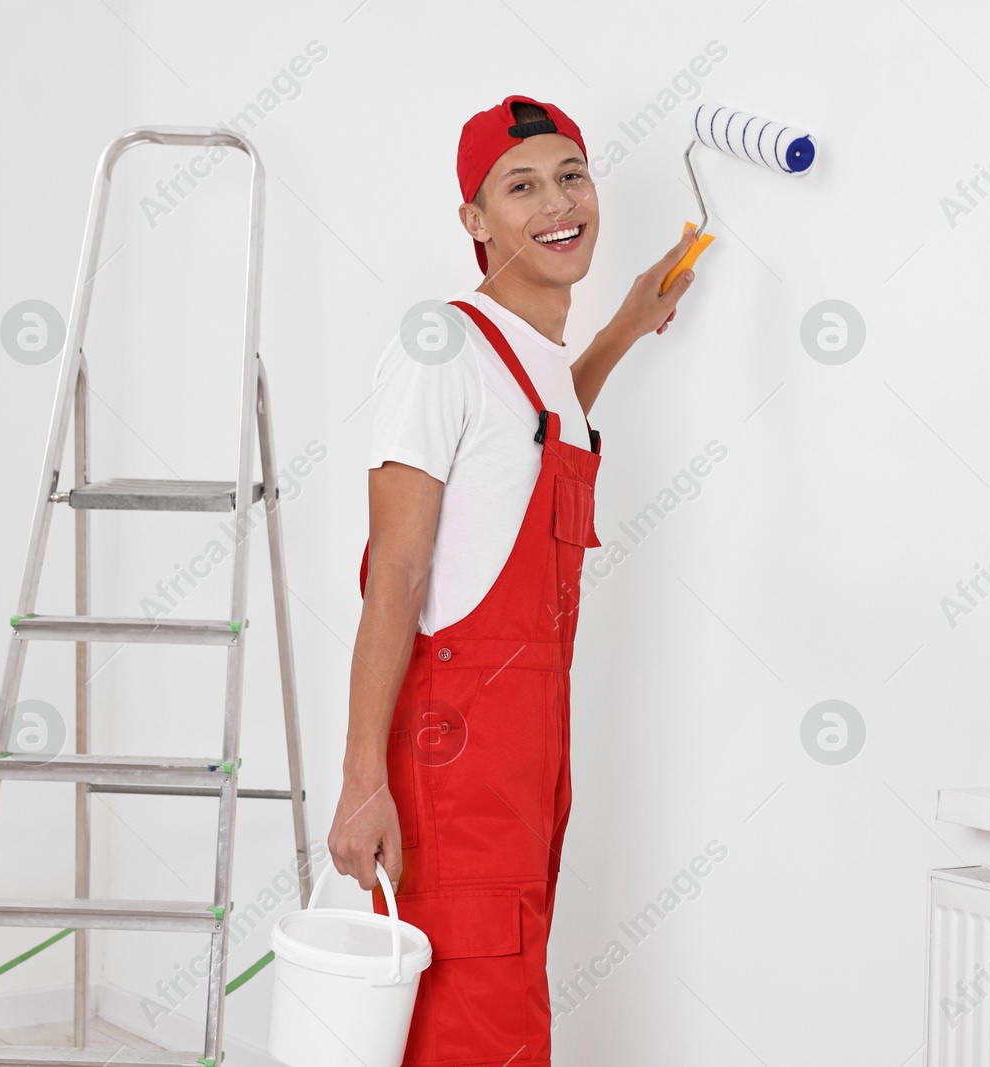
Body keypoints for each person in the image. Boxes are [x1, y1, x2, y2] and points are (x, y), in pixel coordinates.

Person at [327, 94, 698, 1066]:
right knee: (481, 1025)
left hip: (530, 753)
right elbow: (396, 571)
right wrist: (363, 775)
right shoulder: (440, 344)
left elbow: (541, 428)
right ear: (475, 220)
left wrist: (622, 325)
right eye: (520, 186)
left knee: (491, 995)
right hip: (456, 755)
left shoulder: (535, 369)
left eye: (571, 174)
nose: (557, 202)